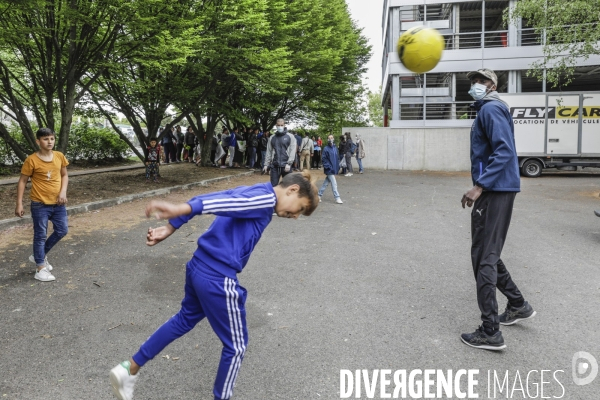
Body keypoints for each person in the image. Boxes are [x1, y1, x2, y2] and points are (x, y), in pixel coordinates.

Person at [109, 171, 319, 400]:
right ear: (293, 190)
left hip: (199, 266)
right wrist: (181, 210)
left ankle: (130, 368)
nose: (295, 216)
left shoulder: (256, 191)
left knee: (184, 319)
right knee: (236, 347)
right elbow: (224, 202)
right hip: (218, 278)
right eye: (299, 209)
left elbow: (218, 196)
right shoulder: (265, 199)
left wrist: (172, 226)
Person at [460, 68, 536, 351]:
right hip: (498, 188)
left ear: (492, 85)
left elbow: (504, 151)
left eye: (481, 81)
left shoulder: (490, 110)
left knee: (483, 258)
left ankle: (490, 331)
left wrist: (479, 186)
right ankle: (517, 304)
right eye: (473, 82)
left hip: (493, 190)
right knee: (487, 253)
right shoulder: (489, 110)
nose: (475, 85)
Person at [15, 127, 69, 282]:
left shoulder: (59, 156)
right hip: (40, 204)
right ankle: (40, 268)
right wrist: (19, 204)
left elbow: (64, 175)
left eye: (51, 138)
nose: (49, 141)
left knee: (62, 230)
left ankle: (38, 255)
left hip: (59, 203)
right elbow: (22, 181)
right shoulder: (31, 160)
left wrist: (63, 192)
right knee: (40, 235)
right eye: (45, 139)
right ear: (38, 141)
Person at [263, 119, 296, 186]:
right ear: (276, 125)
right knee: (274, 186)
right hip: (275, 166)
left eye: (281, 125)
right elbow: (269, 151)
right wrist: (266, 164)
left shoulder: (290, 136)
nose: (280, 127)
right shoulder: (272, 138)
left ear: (284, 125)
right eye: (278, 125)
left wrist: (289, 163)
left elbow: (293, 150)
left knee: (287, 186)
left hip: (286, 166)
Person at [318, 134, 343, 204]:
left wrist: (337, 167)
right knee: (334, 183)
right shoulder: (326, 148)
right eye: (329, 138)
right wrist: (328, 167)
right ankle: (337, 197)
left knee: (325, 183)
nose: (330, 139)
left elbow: (337, 158)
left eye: (331, 137)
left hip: (334, 169)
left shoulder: (335, 148)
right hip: (329, 169)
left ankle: (318, 195)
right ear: (327, 139)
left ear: (333, 138)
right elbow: (324, 159)